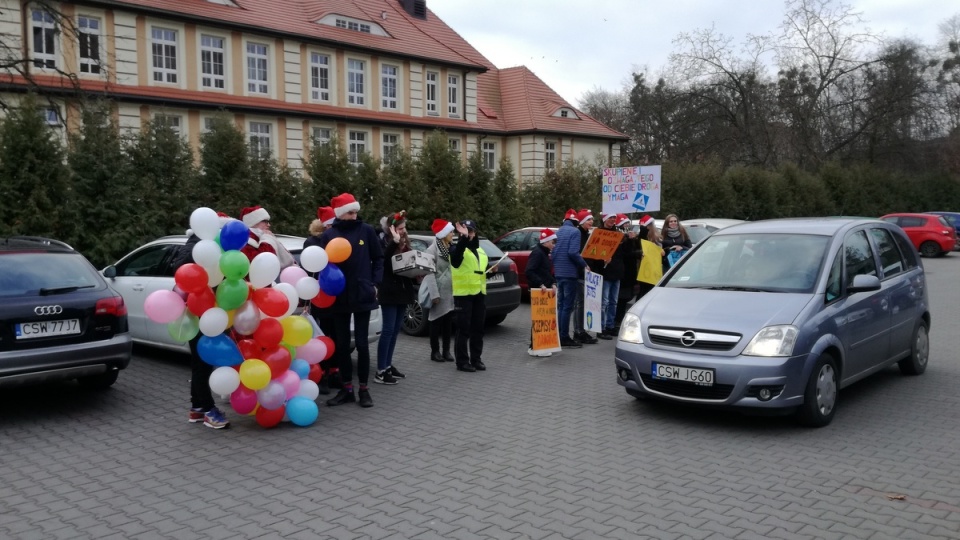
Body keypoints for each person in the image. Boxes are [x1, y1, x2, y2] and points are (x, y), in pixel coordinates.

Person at [318, 193, 383, 408]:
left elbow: (378, 258)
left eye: (356, 211)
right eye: (350, 212)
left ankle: (364, 389)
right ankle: (347, 389)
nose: (355, 215)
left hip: (363, 294)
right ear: (339, 213)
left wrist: (374, 283)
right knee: (342, 345)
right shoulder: (330, 235)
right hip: (339, 297)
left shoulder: (366, 231)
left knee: (362, 345)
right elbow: (322, 265)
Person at [174, 212, 233, 429]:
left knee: (201, 362)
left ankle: (197, 408)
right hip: (199, 311)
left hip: (212, 311)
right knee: (202, 362)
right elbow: (181, 270)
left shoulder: (216, 245)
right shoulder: (198, 244)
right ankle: (209, 410)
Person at [374, 210, 415, 385]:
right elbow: (383, 261)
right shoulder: (383, 242)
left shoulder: (404, 242)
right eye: (400, 228)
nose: (403, 231)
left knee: (396, 330)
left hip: (403, 291)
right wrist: (394, 243)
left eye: (404, 228)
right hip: (389, 291)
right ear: (391, 229)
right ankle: (380, 371)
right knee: (388, 330)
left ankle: (388, 365)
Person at [305, 205, 339, 395]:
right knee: (322, 337)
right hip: (320, 298)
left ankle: (335, 372)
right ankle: (323, 374)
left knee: (335, 336)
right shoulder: (312, 243)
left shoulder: (335, 240)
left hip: (335, 296)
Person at [450, 219, 492, 372]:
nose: (470, 234)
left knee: (478, 329)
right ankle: (462, 362)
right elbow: (455, 262)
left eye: (471, 231)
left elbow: (482, 267)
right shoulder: (456, 248)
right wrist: (463, 238)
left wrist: (491, 269)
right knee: (463, 329)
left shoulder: (480, 250)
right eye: (466, 231)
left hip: (479, 294)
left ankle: (476, 359)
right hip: (463, 294)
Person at [422, 218, 456, 362]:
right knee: (435, 321)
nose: (453, 234)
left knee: (448, 322)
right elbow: (429, 273)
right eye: (451, 232)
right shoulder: (431, 249)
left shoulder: (451, 247)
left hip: (450, 290)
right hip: (438, 290)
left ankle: (447, 351)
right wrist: (434, 294)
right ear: (443, 234)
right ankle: (435, 352)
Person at [552, 209, 585, 349]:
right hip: (570, 273)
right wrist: (584, 265)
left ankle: (559, 334)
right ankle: (564, 336)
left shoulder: (558, 232)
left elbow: (552, 252)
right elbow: (573, 252)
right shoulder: (575, 232)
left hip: (558, 272)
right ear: (576, 221)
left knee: (560, 305)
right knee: (567, 306)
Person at [525, 228, 557, 357]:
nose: (554, 245)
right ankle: (534, 347)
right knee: (539, 320)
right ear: (546, 242)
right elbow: (529, 271)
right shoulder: (538, 253)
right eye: (553, 242)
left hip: (544, 290)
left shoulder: (544, 253)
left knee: (543, 320)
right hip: (538, 290)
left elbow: (546, 272)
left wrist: (553, 283)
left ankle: (540, 345)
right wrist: (540, 284)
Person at [597, 212, 627, 340]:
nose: (613, 220)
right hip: (605, 272)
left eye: (614, 218)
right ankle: (602, 327)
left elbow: (624, 253)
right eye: (610, 217)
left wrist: (629, 239)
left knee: (613, 301)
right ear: (604, 219)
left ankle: (610, 326)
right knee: (604, 302)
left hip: (617, 271)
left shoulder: (619, 234)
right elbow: (594, 252)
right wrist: (602, 260)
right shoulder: (599, 232)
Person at [574, 208, 600, 345]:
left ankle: (582, 331)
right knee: (580, 304)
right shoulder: (578, 234)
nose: (591, 222)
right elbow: (577, 253)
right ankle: (578, 332)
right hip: (580, 273)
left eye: (592, 220)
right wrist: (584, 265)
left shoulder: (586, 234)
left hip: (587, 273)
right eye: (589, 220)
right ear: (582, 221)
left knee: (584, 304)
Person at [615, 214, 640, 328]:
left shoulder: (631, 237)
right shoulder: (621, 238)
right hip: (623, 272)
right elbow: (625, 253)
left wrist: (633, 239)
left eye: (628, 223)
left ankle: (619, 320)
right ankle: (617, 321)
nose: (627, 225)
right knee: (621, 299)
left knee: (625, 299)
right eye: (625, 224)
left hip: (630, 272)